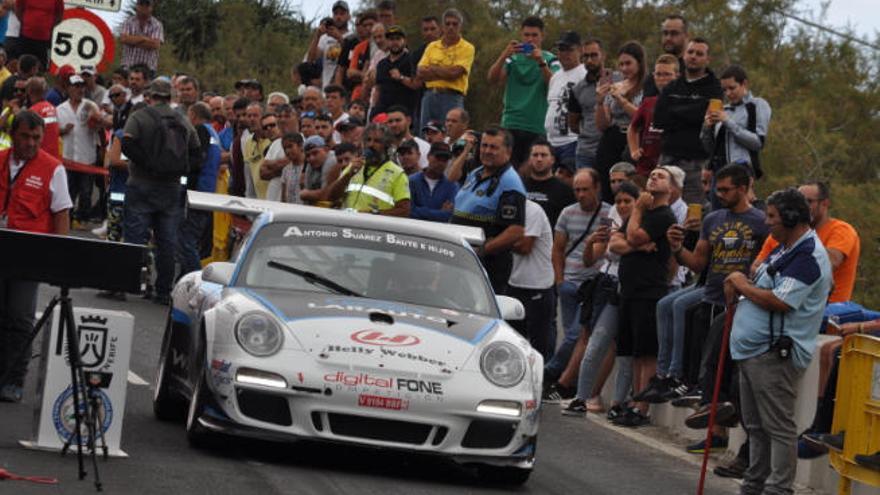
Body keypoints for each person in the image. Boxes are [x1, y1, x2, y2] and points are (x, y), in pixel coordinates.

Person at [725, 188, 832, 495]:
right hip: (753, 352)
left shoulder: (809, 255)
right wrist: (738, 280)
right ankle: (755, 484)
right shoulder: (784, 247)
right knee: (756, 427)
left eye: (772, 216)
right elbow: (760, 280)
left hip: (774, 355)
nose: (767, 222)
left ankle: (778, 488)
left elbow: (780, 301)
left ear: (791, 217)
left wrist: (740, 283)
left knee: (778, 427)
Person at [0, 110, 72, 402]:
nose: (31, 143)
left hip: (28, 253)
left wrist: (59, 257)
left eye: (36, 138)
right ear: (13, 135)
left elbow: (62, 213)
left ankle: (13, 380)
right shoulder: (1, 159)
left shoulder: (53, 169)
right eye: (25, 137)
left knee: (19, 317)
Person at [562, 181, 640, 416]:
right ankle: (581, 398)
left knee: (626, 350)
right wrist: (590, 242)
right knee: (596, 341)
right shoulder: (610, 216)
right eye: (619, 201)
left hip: (635, 287)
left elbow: (632, 245)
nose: (623, 205)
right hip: (608, 283)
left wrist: (621, 244)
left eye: (628, 201)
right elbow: (593, 257)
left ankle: (617, 403)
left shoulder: (643, 220)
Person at [607, 166, 677, 426]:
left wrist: (636, 213)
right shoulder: (645, 212)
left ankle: (641, 408)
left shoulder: (661, 214)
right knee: (635, 352)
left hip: (649, 290)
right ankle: (635, 399)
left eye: (661, 176)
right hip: (630, 289)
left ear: (670, 189)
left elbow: (635, 235)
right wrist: (635, 245)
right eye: (652, 174)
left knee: (647, 352)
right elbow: (615, 242)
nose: (653, 177)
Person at [121, 78, 201, 305]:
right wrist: (178, 169)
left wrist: (148, 164)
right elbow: (197, 153)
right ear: (171, 96)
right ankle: (163, 291)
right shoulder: (183, 120)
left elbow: (127, 144)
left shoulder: (139, 117)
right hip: (171, 187)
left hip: (140, 183)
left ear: (150, 95)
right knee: (167, 241)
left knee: (135, 237)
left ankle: (128, 284)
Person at [543, 167, 611, 399]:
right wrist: (560, 280)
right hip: (570, 283)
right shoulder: (567, 213)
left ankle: (550, 373)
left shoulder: (608, 215)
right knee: (575, 337)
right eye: (577, 190)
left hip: (592, 282)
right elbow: (558, 249)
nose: (581, 195)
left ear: (597, 188)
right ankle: (563, 382)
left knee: (576, 335)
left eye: (585, 190)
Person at [450, 126, 526, 294]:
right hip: (459, 261)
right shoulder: (476, 172)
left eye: (493, 147)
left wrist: (482, 250)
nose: (487, 151)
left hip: (485, 267)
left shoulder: (510, 182)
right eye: (484, 145)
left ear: (508, 151)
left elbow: (516, 230)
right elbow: (451, 176)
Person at [652, 38, 723, 204]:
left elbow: (707, 119)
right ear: (684, 55)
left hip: (696, 161)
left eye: (699, 53)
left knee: (693, 210)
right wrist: (692, 111)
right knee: (662, 205)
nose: (693, 56)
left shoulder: (714, 88)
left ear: (707, 59)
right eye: (690, 52)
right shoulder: (672, 86)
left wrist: (677, 110)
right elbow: (660, 119)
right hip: (668, 157)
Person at [488, 16, 559, 167]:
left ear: (542, 36)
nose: (530, 39)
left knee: (531, 174)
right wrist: (503, 55)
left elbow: (555, 85)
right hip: (511, 124)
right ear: (521, 36)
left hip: (536, 126)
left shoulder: (550, 59)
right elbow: (493, 79)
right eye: (526, 35)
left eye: (534, 35)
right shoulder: (512, 58)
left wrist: (541, 62)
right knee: (506, 170)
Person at [702, 64, 772, 205]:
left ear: (744, 84)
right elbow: (709, 148)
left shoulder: (757, 105)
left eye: (732, 88)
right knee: (718, 217)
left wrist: (728, 122)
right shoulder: (724, 110)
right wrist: (707, 128)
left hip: (740, 171)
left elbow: (757, 142)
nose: (728, 93)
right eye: (724, 90)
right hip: (718, 173)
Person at [595, 41, 646, 203]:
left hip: (634, 140)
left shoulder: (647, 86)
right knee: (608, 187)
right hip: (612, 139)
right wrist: (600, 102)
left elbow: (643, 117)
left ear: (639, 63)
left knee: (632, 186)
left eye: (628, 63)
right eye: (621, 64)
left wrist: (622, 100)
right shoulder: (616, 86)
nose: (624, 68)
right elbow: (603, 125)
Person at [326, 123, 410, 216]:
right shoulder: (354, 165)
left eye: (377, 141)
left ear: (386, 146)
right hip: (347, 224)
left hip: (373, 228)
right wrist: (348, 175)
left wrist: (374, 214)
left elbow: (404, 211)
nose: (371, 144)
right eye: (368, 140)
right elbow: (330, 197)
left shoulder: (397, 174)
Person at [508, 199, 556, 358]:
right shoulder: (505, 210)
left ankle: (541, 381)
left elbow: (524, 247)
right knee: (513, 344)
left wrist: (496, 242)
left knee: (538, 348)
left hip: (538, 286)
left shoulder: (532, 210)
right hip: (514, 284)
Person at [177, 102, 219, 276]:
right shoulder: (213, 133)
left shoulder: (201, 130)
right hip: (206, 193)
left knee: (186, 241)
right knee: (189, 240)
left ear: (193, 116)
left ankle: (198, 282)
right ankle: (183, 279)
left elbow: (195, 162)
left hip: (197, 194)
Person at [417, 9, 475, 132]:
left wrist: (432, 68)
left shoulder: (467, 48)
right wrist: (445, 71)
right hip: (429, 96)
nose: (451, 27)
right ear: (442, 27)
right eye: (447, 24)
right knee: (425, 136)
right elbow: (420, 73)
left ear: (460, 26)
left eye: (455, 24)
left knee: (450, 136)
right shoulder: (432, 46)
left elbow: (455, 74)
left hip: (452, 97)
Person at [57, 74, 102, 226]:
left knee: (86, 192)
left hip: (86, 157)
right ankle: (67, 218)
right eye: (76, 86)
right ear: (68, 88)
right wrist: (63, 130)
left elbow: (99, 125)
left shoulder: (90, 105)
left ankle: (82, 219)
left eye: (82, 86)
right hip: (68, 158)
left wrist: (95, 119)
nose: (79, 89)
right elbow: (54, 132)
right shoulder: (60, 109)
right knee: (69, 190)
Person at [628, 54, 680, 178]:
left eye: (667, 74)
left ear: (677, 76)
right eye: (658, 74)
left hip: (673, 171)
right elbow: (633, 128)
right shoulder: (648, 102)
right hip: (646, 169)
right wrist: (634, 150)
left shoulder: (686, 103)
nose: (662, 79)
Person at [544, 31, 586, 167]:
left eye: (569, 49)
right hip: (551, 144)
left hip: (572, 142)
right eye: (561, 49)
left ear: (580, 50)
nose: (564, 53)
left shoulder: (584, 74)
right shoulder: (556, 76)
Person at [567, 38, 605, 169]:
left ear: (603, 55)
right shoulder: (577, 89)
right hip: (585, 153)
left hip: (611, 148)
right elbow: (573, 124)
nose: (589, 60)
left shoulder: (618, 81)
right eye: (586, 56)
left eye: (594, 55)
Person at [523, 139, 575, 227]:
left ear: (552, 159)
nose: (539, 159)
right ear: (529, 159)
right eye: (535, 155)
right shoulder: (518, 187)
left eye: (543, 155)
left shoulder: (565, 191)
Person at [374, 25, 420, 117]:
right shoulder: (382, 64)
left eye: (398, 39)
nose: (394, 42)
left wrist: (401, 78)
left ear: (404, 41)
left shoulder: (412, 60)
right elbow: (378, 89)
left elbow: (417, 85)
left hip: (404, 112)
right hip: (384, 111)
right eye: (391, 39)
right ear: (387, 41)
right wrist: (375, 108)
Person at [409, 141, 457, 222]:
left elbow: (448, 215)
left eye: (445, 160)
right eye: (438, 158)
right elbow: (409, 211)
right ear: (428, 156)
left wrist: (420, 210)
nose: (441, 163)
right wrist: (439, 213)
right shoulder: (412, 181)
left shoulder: (451, 186)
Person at [644, 14, 688, 97]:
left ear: (686, 36)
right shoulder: (652, 76)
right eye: (665, 33)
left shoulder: (694, 73)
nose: (668, 38)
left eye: (674, 33)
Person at [14, 0, 64, 69]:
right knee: (22, 65)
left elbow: (60, 15)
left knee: (42, 67)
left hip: (44, 39)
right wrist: (26, 23)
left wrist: (48, 26)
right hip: (25, 36)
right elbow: (18, 10)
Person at [119, 0, 164, 73]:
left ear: (151, 7)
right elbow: (124, 39)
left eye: (147, 4)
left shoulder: (157, 25)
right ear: (137, 5)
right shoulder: (128, 22)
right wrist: (144, 39)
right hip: (128, 67)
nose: (144, 7)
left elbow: (155, 44)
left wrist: (132, 40)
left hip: (148, 69)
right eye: (141, 4)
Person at [26, 76, 58, 158]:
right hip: (54, 155)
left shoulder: (33, 111)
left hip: (40, 156)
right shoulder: (52, 108)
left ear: (29, 91)